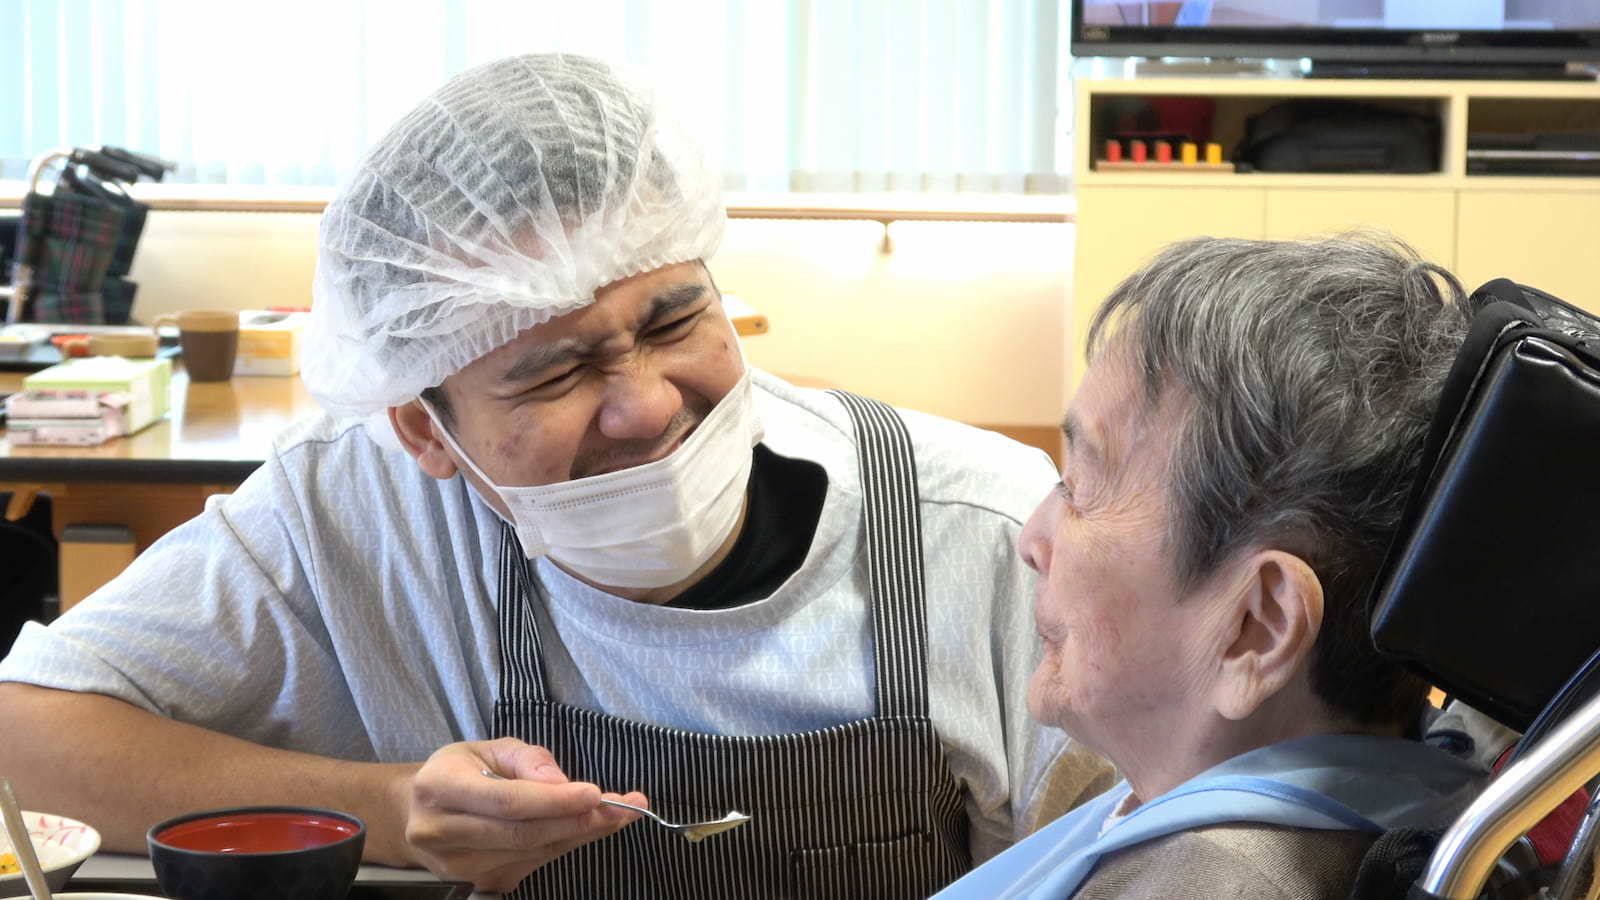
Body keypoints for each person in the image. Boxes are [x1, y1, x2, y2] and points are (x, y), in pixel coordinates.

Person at [0, 53, 1111, 897]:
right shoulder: (358, 517)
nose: (644, 403)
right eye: (553, 372)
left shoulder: (982, 529)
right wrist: (389, 808)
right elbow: (22, 733)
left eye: (674, 317)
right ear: (423, 431)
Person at [935, 233, 1490, 899]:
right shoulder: (1410, 796)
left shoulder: (1218, 882)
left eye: (1081, 488)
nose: (1032, 538)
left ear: (1257, 627)